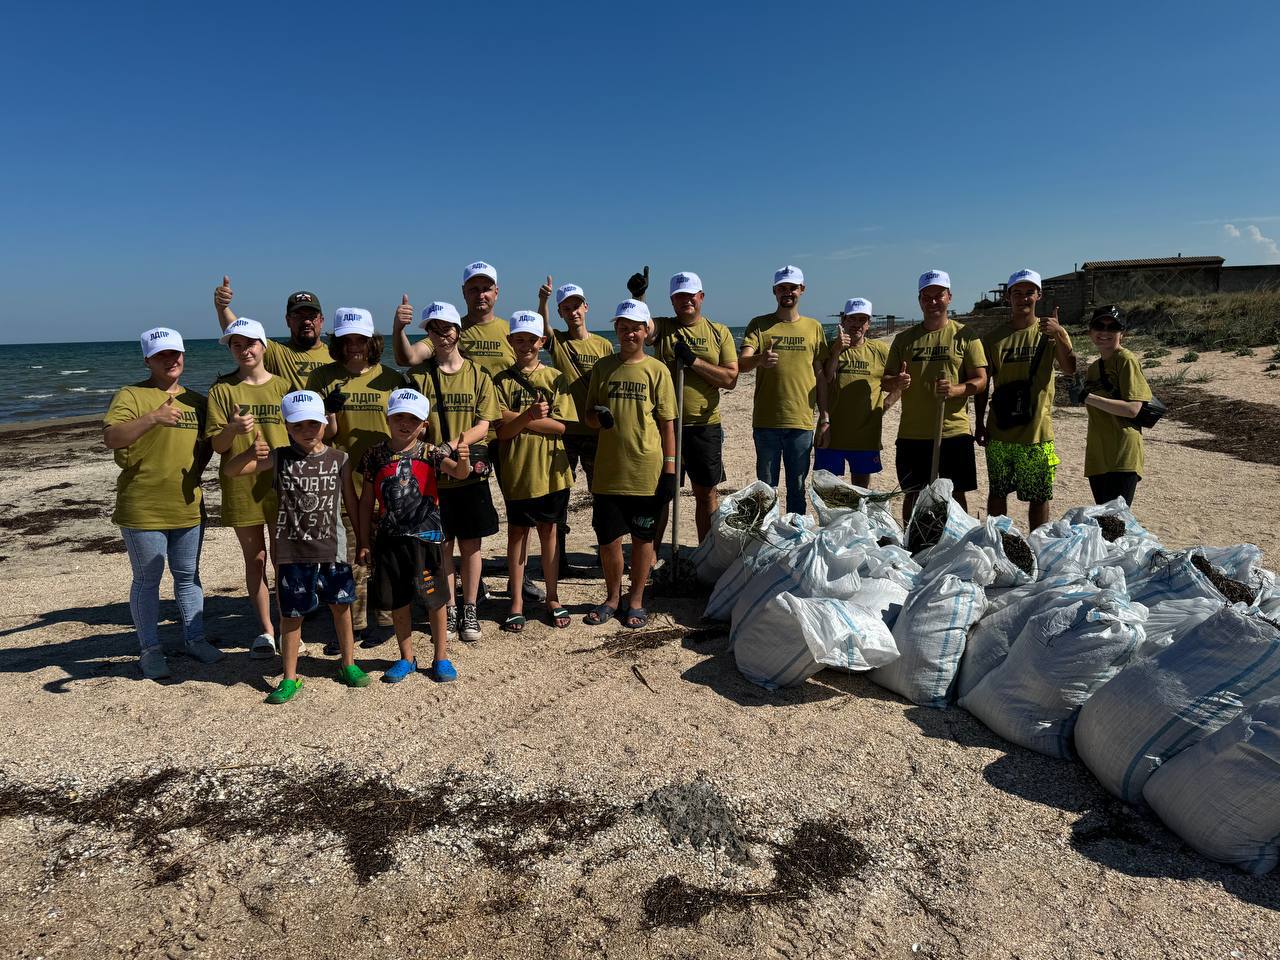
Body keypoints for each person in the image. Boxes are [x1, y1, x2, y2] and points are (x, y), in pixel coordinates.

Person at [394, 264, 544, 604]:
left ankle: (518, 578)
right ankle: (468, 588)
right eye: (473, 288)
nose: (480, 294)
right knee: (458, 522)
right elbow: (408, 357)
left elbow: (529, 363)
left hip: (505, 431)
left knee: (518, 511)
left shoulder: (508, 330)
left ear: (496, 291)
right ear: (464, 292)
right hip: (466, 441)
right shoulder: (447, 328)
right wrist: (399, 327)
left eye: (486, 287)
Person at [223, 390, 372, 703]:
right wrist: (250, 452)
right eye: (298, 425)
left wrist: (362, 541)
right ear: (287, 427)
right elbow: (231, 471)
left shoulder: (340, 459)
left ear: (324, 423)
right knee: (291, 616)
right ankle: (289, 677)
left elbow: (351, 501)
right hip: (292, 553)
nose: (307, 430)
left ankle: (348, 664)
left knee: (341, 608)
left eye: (313, 423)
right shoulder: (279, 457)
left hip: (332, 549)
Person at [104, 327, 221, 680]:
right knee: (147, 579)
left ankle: (195, 639)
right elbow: (111, 437)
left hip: (187, 504)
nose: (170, 360)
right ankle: (150, 649)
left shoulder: (198, 402)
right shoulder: (131, 395)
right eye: (161, 355)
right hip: (143, 506)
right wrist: (153, 417)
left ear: (183, 355)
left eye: (175, 353)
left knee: (188, 577)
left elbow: (208, 449)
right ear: (147, 360)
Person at [305, 308, 407, 646]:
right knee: (348, 556)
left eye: (360, 339)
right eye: (346, 340)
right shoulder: (321, 378)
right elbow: (314, 434)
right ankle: (353, 624)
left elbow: (405, 429)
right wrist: (328, 411)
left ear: (372, 341)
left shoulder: (390, 379)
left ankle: (386, 619)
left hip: (387, 480)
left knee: (386, 553)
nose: (353, 346)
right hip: (343, 481)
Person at [355, 388, 471, 683]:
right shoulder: (374, 455)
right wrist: (364, 541)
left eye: (413, 419)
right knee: (398, 600)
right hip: (390, 540)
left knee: (435, 599)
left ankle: (441, 657)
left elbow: (459, 473)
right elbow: (366, 501)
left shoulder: (431, 452)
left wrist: (463, 460)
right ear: (388, 418)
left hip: (427, 539)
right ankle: (406, 657)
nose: (405, 424)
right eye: (399, 417)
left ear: (424, 425)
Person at [407, 302, 500, 644]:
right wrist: (435, 451)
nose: (441, 335)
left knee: (471, 545)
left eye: (446, 328)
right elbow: (413, 425)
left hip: (470, 473)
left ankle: (470, 606)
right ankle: (449, 607)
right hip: (433, 475)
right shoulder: (419, 378)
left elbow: (485, 424)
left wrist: (450, 445)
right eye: (433, 329)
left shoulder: (479, 374)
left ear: (458, 331)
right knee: (442, 546)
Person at [582, 299, 678, 629]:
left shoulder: (657, 370)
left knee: (642, 539)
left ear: (646, 331)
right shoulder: (603, 367)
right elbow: (588, 418)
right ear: (617, 329)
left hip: (645, 471)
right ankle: (612, 598)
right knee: (608, 540)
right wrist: (598, 417)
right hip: (609, 472)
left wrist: (670, 469)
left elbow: (667, 424)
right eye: (623, 327)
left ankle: (636, 600)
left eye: (636, 328)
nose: (629, 333)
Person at [205, 318, 292, 658]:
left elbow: (303, 433)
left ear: (263, 345)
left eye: (250, 343)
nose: (244, 350)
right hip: (241, 485)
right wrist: (232, 428)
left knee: (284, 560)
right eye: (236, 345)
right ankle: (266, 631)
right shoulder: (222, 390)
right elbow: (217, 445)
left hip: (282, 486)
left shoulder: (284, 387)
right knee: (255, 559)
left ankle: (289, 628)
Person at [973, 270, 1077, 530]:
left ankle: (1038, 542)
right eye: (1017, 293)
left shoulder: (1051, 332)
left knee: (1039, 495)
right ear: (1008, 297)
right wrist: (979, 422)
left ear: (1038, 295)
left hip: (1037, 431)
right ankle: (998, 541)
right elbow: (983, 385)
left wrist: (1059, 333)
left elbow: (1070, 369)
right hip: (1001, 429)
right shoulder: (994, 338)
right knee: (998, 492)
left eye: (1029, 292)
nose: (1023, 298)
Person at [493, 311, 577, 631]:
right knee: (517, 534)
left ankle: (552, 596)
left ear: (542, 341)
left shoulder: (555, 378)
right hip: (518, 470)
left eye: (531, 339)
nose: (525, 344)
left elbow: (560, 426)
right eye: (519, 339)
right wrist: (528, 415)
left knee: (549, 532)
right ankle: (516, 601)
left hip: (552, 471)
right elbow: (502, 431)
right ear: (510, 341)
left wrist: (519, 418)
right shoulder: (500, 381)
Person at [883, 270, 988, 524]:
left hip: (953, 431)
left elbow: (981, 380)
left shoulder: (966, 336)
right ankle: (912, 540)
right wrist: (896, 382)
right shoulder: (903, 340)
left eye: (938, 296)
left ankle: (957, 538)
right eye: (926, 297)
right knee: (913, 493)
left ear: (949, 297)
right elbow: (885, 380)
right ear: (919, 300)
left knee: (956, 493)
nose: (932, 302)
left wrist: (955, 390)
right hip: (913, 433)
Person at [649, 271, 739, 548]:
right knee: (661, 493)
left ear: (701, 297)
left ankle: (706, 552)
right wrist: (638, 295)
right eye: (679, 296)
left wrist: (693, 362)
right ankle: (650, 556)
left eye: (691, 296)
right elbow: (642, 327)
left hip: (704, 426)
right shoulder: (663, 327)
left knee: (706, 493)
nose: (686, 300)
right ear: (672, 300)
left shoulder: (718, 332)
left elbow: (730, 379)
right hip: (665, 425)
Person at [535, 277, 615, 576]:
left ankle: (604, 556)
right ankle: (559, 560)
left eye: (577, 306)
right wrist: (543, 301)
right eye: (566, 308)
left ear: (586, 307)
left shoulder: (603, 344)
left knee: (601, 497)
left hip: (596, 434)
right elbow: (542, 330)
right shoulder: (558, 341)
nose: (573, 312)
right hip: (565, 432)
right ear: (560, 313)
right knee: (559, 497)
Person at [737, 266, 829, 515]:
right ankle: (766, 535)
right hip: (766, 422)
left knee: (797, 489)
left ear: (802, 290)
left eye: (792, 287)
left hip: (801, 422)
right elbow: (741, 364)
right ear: (774, 291)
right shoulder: (759, 324)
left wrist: (825, 416)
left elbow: (820, 375)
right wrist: (759, 359)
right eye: (782, 288)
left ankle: (795, 534)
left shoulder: (814, 327)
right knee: (766, 491)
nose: (787, 292)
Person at [1077, 304, 1153, 505]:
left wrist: (1087, 397)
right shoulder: (1094, 368)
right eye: (1099, 326)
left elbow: (1133, 409)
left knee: (1117, 518)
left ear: (1122, 333)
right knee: (1103, 517)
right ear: (1090, 332)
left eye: (1112, 327)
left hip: (1122, 454)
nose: (1105, 332)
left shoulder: (1126, 360)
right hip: (1098, 456)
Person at [818, 298, 895, 487]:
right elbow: (826, 378)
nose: (856, 324)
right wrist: (837, 350)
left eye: (862, 319)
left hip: (865, 436)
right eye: (852, 319)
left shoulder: (880, 350)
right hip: (832, 433)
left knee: (861, 490)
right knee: (829, 490)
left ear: (868, 324)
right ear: (843, 321)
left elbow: (898, 382)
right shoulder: (829, 346)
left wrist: (885, 405)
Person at [214, 278, 332, 390]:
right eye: (298, 316)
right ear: (288, 320)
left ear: (321, 321)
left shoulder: (335, 355)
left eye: (312, 316)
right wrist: (222, 307)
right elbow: (239, 331)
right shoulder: (276, 353)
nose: (306, 321)